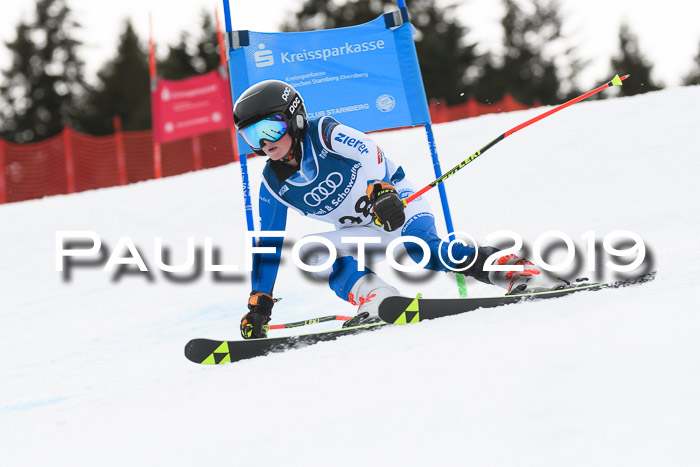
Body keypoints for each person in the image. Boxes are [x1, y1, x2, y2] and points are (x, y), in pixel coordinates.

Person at [234, 80, 560, 339]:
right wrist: (260, 300)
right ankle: (376, 298)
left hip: (396, 204)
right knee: (311, 252)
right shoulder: (273, 184)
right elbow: (268, 243)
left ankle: (514, 271)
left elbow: (368, 149)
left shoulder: (324, 133)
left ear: (295, 118)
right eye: (252, 135)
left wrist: (380, 188)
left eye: (271, 128)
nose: (264, 143)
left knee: (422, 251)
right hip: (359, 231)